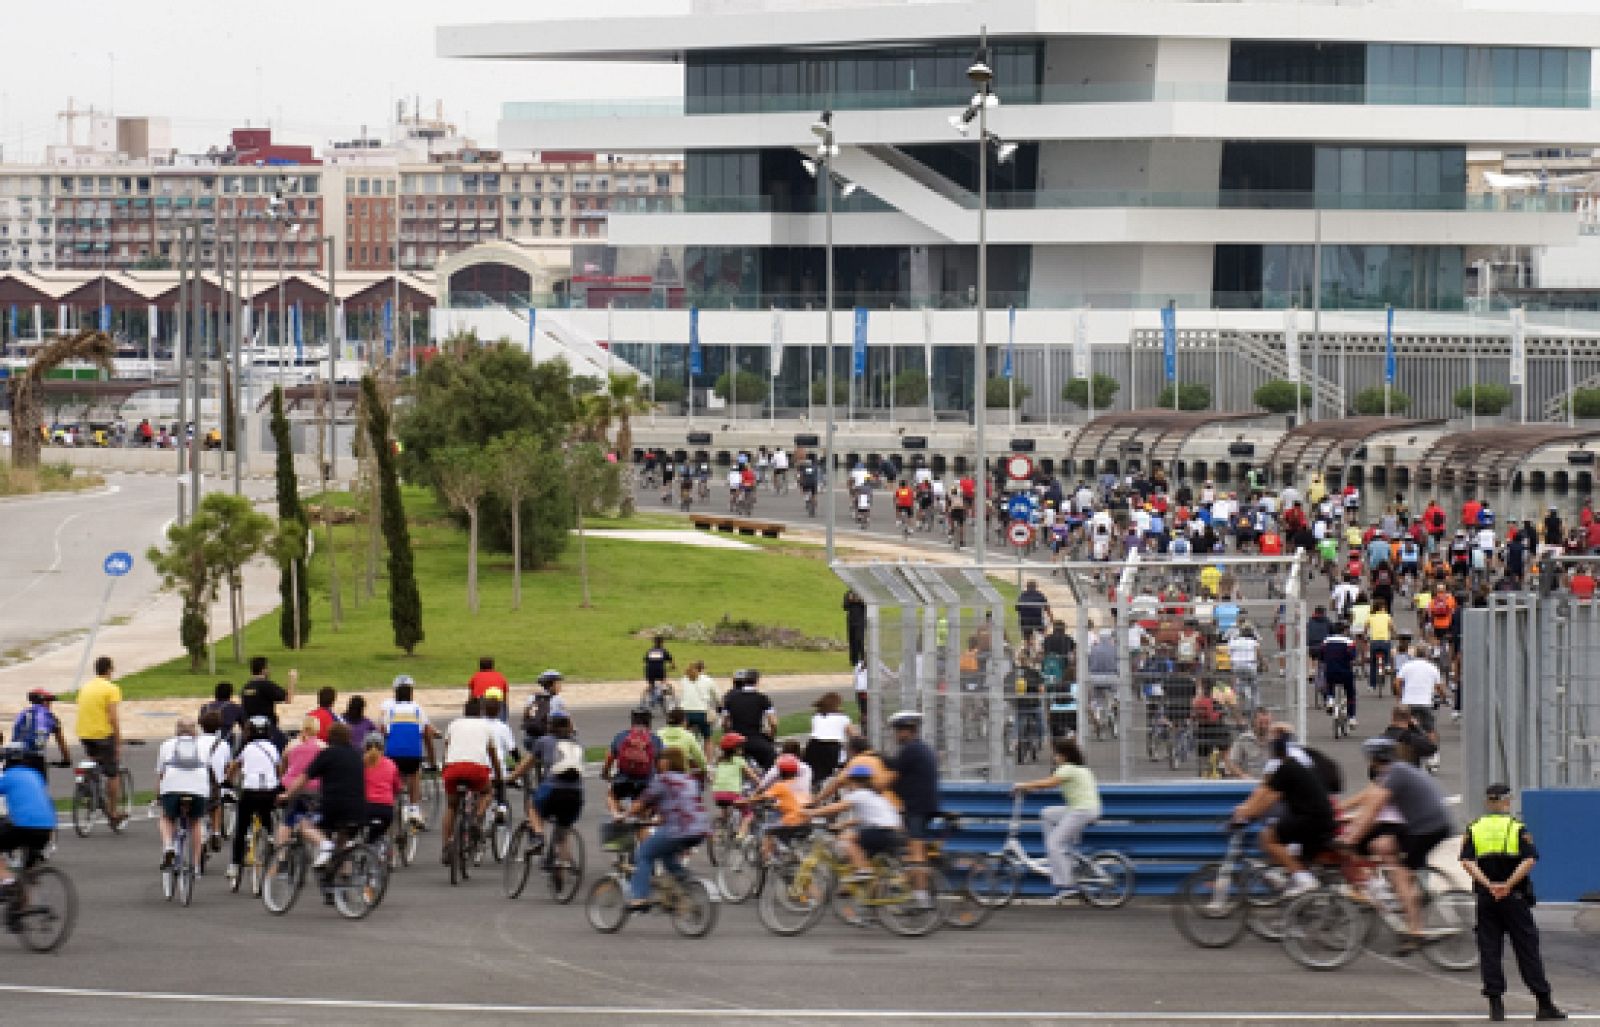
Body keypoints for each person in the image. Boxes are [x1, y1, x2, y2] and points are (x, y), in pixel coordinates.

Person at [1460, 783, 1566, 1022]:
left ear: (1487, 802)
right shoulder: (1516, 828)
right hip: (1514, 898)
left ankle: (1496, 1005)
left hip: (1487, 898)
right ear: (1507, 802)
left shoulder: (1475, 828)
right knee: (1527, 949)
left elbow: (1467, 861)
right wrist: (1507, 885)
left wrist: (1489, 885)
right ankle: (1543, 1003)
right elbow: (1529, 860)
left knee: (1490, 950)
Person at [1343, 737, 1454, 948]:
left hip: (1428, 828)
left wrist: (1352, 838)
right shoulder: (1395, 771)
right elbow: (1368, 800)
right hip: (1423, 824)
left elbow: (1373, 810)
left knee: (1401, 873)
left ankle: (1415, 931)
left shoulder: (1395, 775)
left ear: (1373, 759)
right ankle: (1395, 893)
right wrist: (1347, 816)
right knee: (1381, 846)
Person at [1232, 725, 1336, 899]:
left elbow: (1266, 799)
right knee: (1285, 843)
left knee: (1268, 837)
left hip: (1312, 819)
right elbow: (1263, 792)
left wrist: (1245, 814)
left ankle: (1304, 880)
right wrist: (1247, 809)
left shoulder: (1285, 770)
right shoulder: (1293, 765)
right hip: (1317, 817)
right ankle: (1295, 878)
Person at [1011, 738, 1101, 903]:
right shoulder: (1080, 768)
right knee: (1047, 814)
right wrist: (1029, 789)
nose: (1054, 757)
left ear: (1064, 755)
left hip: (1082, 811)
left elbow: (1049, 783)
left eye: (1056, 754)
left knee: (1054, 843)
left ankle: (1067, 884)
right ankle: (1058, 854)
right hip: (1083, 809)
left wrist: (1022, 785)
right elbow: (1049, 784)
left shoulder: (1067, 769)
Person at [626, 747, 709, 912]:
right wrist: (656, 821)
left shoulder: (664, 780)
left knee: (645, 854)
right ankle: (687, 885)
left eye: (659, 761)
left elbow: (640, 804)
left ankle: (639, 898)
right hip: (699, 829)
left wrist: (624, 814)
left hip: (677, 830)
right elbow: (682, 806)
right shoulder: (690, 780)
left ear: (665, 762)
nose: (657, 764)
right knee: (668, 857)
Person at [279, 723, 368, 868]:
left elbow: (303, 778)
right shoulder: (357, 755)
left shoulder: (328, 754)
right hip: (358, 809)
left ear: (329, 736)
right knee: (342, 842)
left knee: (304, 825)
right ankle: (343, 875)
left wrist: (287, 794)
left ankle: (324, 845)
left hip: (333, 807)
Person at [808, 763, 904, 883]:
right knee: (862, 855)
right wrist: (842, 824)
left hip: (882, 831)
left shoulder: (858, 794)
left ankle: (864, 871)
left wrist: (811, 813)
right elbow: (864, 818)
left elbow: (836, 808)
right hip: (895, 832)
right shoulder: (874, 795)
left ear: (852, 781)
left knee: (846, 838)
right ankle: (870, 883)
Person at [438, 698, 504, 866]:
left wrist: (444, 769)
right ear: (480, 712)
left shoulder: (453, 724)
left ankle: (446, 847)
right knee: (487, 792)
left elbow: (447, 750)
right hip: (476, 769)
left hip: (453, 768)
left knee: (451, 806)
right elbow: (493, 756)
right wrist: (499, 776)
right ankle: (478, 817)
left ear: (464, 711)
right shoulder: (486, 726)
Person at [510, 714, 585, 857]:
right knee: (563, 832)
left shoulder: (544, 741)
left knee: (533, 807)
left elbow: (525, 765)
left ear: (550, 727)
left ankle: (538, 836)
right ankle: (563, 863)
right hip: (576, 792)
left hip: (552, 789)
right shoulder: (578, 744)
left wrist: (510, 778)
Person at [0, 746, 56, 923]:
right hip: (47, 827)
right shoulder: (35, 775)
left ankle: (7, 882)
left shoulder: (8, 776)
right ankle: (19, 911)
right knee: (27, 871)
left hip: (25, 825)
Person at [155, 717, 216, 872]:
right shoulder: (203, 746)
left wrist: (158, 795)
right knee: (195, 822)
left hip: (172, 786)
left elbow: (161, 774)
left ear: (177, 731)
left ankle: (168, 846)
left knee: (167, 817)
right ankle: (195, 864)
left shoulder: (167, 745)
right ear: (195, 731)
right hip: (198, 788)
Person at [225, 716, 280, 883]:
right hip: (269, 791)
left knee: (241, 828)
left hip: (250, 791)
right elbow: (279, 769)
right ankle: (270, 837)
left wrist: (228, 781)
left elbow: (234, 766)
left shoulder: (247, 748)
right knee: (267, 814)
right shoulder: (273, 748)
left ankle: (235, 864)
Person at [885, 710, 940, 875]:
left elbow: (892, 777)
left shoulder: (909, 750)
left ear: (908, 731)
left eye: (898, 730)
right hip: (926, 805)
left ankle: (921, 890)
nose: (896, 735)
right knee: (913, 849)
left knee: (917, 857)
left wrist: (872, 787)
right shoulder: (923, 748)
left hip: (916, 808)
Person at [76, 655, 127, 828]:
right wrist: (118, 740)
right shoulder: (111, 688)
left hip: (84, 734)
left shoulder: (85, 688)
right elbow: (113, 718)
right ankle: (113, 812)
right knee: (112, 772)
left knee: (93, 761)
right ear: (109, 670)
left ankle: (89, 791)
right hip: (103, 735)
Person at [381, 677, 437, 828]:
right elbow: (427, 734)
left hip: (392, 753)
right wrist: (432, 761)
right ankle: (414, 808)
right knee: (414, 774)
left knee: (394, 775)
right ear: (411, 694)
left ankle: (391, 804)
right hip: (413, 753)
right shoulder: (418, 709)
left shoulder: (390, 710)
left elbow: (384, 732)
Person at [603, 707, 664, 818]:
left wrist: (605, 773)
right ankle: (641, 817)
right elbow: (660, 767)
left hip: (623, 780)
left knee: (611, 795)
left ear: (632, 720)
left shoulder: (621, 736)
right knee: (647, 805)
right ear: (649, 721)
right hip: (646, 781)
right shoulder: (655, 739)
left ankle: (616, 814)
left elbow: (609, 758)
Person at [722, 668, 777, 770]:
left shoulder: (730, 698)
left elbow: (725, 723)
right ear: (757, 681)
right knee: (772, 757)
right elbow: (773, 723)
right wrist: (771, 736)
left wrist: (729, 735)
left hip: (736, 739)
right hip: (754, 737)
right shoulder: (762, 698)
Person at [11, 689, 70, 777]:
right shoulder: (49, 716)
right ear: (44, 702)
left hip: (14, 756)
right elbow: (60, 740)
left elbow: (15, 733)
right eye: (49, 702)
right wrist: (66, 759)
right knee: (38, 784)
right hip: (34, 757)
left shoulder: (22, 713)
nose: (50, 705)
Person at [240, 657, 297, 746]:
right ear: (263, 670)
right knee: (287, 745)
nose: (269, 670)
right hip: (266, 728)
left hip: (250, 729)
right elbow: (288, 699)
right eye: (268, 668)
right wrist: (292, 679)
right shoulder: (266, 685)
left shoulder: (246, 687)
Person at [803, 692, 855, 787]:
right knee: (833, 774)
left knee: (814, 775)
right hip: (832, 747)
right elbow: (853, 735)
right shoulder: (843, 718)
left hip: (813, 745)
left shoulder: (816, 717)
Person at [362, 734, 403, 844]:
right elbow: (397, 787)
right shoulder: (391, 764)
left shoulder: (362, 764)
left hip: (366, 807)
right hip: (386, 809)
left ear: (365, 748)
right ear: (383, 748)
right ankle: (388, 851)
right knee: (385, 829)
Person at [520, 670, 568, 754]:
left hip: (529, 738)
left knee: (533, 756)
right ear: (552, 685)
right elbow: (564, 720)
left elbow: (525, 715)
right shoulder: (558, 699)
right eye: (558, 683)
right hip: (546, 739)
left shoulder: (532, 697)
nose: (560, 686)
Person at [677, 661, 721, 744]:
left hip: (685, 713)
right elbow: (718, 696)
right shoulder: (708, 680)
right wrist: (719, 705)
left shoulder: (684, 679)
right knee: (707, 739)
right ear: (703, 669)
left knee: (685, 738)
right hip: (702, 713)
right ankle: (707, 752)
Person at [1224, 708, 1274, 779]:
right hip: (1249, 783)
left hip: (1271, 783)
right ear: (1254, 722)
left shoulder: (1276, 740)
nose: (1264, 726)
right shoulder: (1242, 739)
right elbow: (1231, 764)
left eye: (1267, 723)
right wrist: (1242, 775)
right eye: (1260, 723)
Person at [657, 708, 707, 777]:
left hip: (661, 775)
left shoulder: (659, 734)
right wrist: (705, 769)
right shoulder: (688, 735)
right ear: (684, 721)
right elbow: (700, 757)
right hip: (682, 774)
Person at [199, 682, 244, 751]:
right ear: (230, 694)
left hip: (204, 742)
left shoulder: (205, 707)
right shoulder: (234, 707)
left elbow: (200, 723)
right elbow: (244, 726)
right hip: (225, 743)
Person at [642, 636, 675, 710]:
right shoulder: (663, 651)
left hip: (650, 671)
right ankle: (669, 702)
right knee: (665, 683)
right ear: (662, 643)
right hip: (660, 671)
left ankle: (644, 704)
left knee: (650, 685)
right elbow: (671, 661)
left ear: (654, 642)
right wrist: (673, 667)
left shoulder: (650, 651)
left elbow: (645, 660)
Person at [1016, 579, 1052, 645]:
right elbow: (1047, 608)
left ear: (1027, 587)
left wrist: (1021, 621)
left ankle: (1027, 645)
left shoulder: (1022, 596)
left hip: (1025, 620)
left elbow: (1018, 609)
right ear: (1035, 587)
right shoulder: (1040, 595)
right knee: (1044, 631)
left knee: (1027, 636)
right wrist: (1051, 618)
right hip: (1037, 620)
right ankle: (1046, 643)